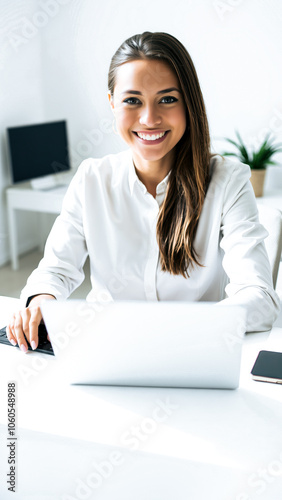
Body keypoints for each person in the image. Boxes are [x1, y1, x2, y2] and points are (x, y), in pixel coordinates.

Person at [7, 31, 280, 353]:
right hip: (106, 352)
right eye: (132, 100)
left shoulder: (228, 180)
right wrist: (42, 300)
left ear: (189, 103)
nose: (149, 119)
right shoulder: (92, 179)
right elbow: (56, 269)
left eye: (167, 99)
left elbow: (259, 297)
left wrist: (177, 332)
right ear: (112, 103)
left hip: (193, 351)